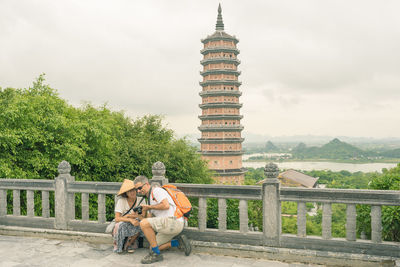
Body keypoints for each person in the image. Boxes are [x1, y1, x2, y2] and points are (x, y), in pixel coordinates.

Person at [133, 175, 191, 264]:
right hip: (169, 225)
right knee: (152, 247)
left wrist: (148, 207)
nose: (139, 191)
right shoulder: (149, 198)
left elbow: (166, 205)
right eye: (136, 190)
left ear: (147, 184)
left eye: (140, 188)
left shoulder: (156, 191)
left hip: (173, 221)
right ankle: (178, 242)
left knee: (144, 224)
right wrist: (139, 216)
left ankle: (156, 255)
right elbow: (149, 221)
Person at [112, 179, 144, 253]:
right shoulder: (121, 201)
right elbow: (117, 218)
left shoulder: (141, 200)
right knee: (121, 225)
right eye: (129, 191)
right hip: (124, 222)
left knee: (141, 224)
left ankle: (129, 244)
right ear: (126, 193)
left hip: (136, 222)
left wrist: (133, 217)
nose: (132, 192)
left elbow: (142, 217)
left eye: (133, 190)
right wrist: (130, 219)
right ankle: (119, 245)